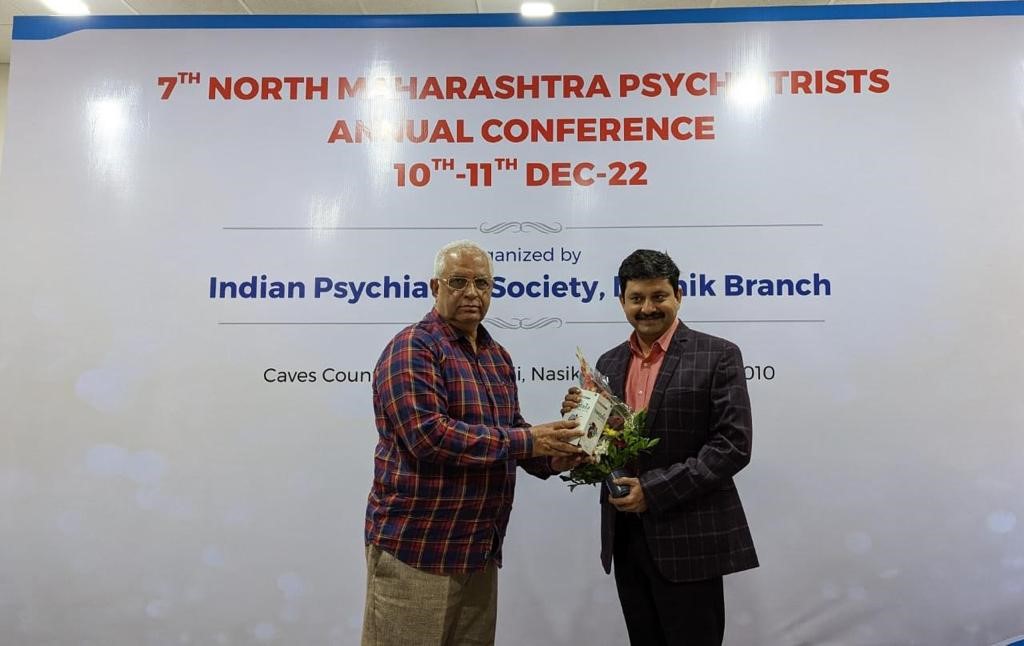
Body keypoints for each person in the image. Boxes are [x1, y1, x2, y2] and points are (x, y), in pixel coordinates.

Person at [362, 239, 585, 646]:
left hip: (477, 550)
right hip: (418, 548)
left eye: (481, 283)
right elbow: (429, 437)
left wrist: (555, 455)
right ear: (435, 287)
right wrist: (529, 441)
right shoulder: (412, 347)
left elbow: (512, 429)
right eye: (458, 281)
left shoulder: (497, 355)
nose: (472, 293)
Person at [561, 249, 758, 646]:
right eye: (636, 298)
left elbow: (733, 444)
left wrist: (652, 491)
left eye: (658, 296)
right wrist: (581, 422)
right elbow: (605, 445)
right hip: (626, 539)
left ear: (678, 296)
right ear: (622, 300)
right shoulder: (608, 363)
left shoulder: (718, 355)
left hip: (690, 539)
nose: (647, 308)